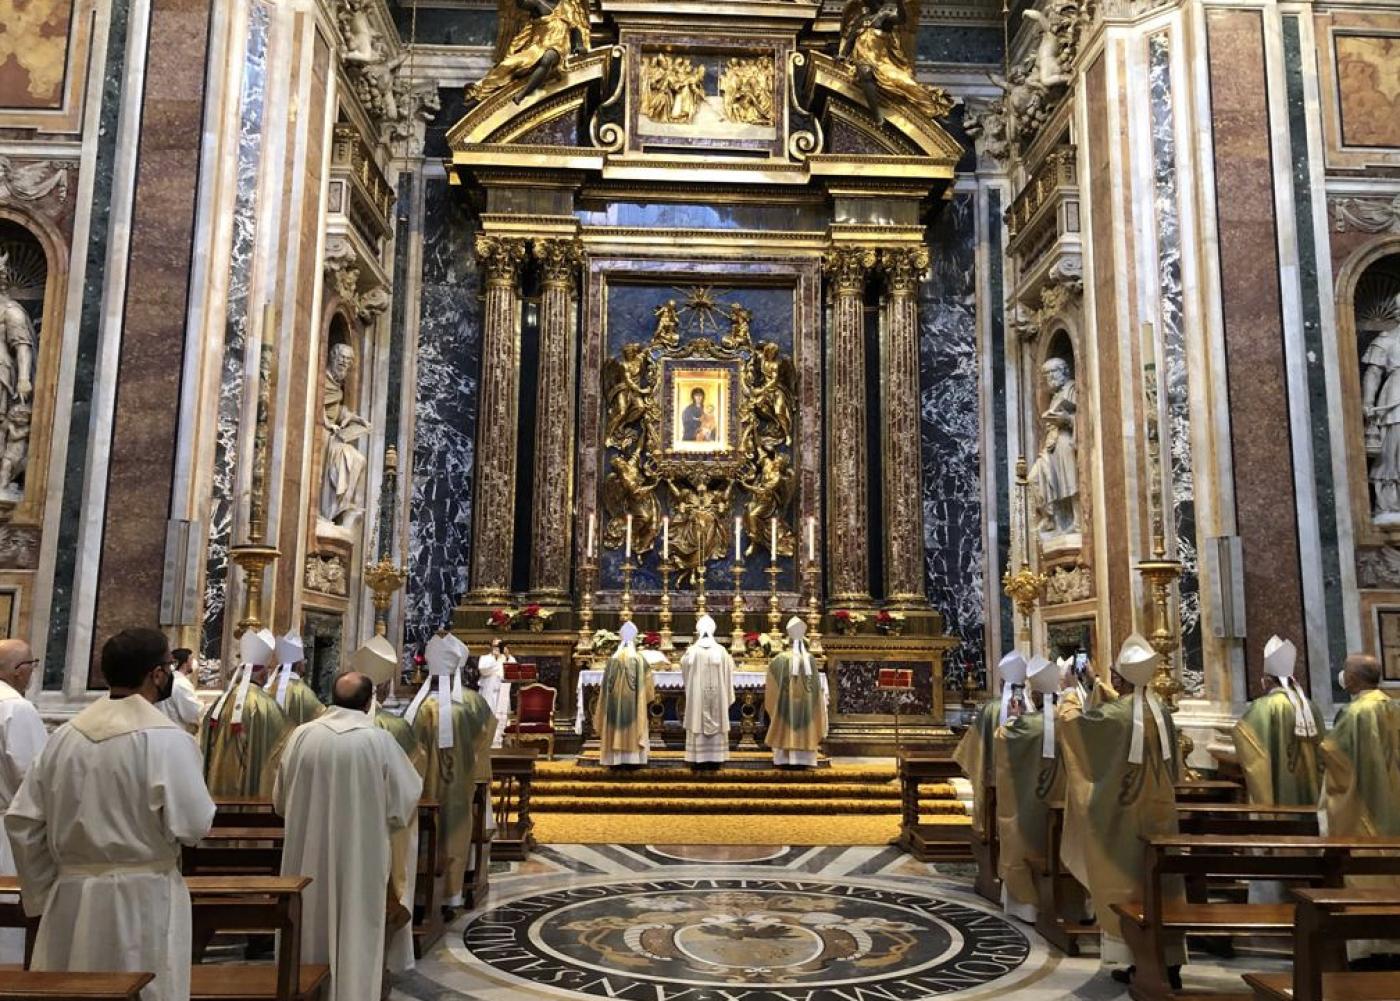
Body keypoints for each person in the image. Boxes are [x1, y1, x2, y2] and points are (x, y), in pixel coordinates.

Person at [6, 628, 216, 1001]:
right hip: (144, 897)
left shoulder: (65, 738)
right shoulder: (168, 741)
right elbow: (194, 825)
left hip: (72, 898)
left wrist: (44, 894)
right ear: (156, 674)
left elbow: (23, 822)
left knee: (73, 988)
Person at [274, 671, 423, 1001]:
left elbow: (281, 801)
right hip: (360, 858)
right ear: (369, 702)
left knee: (308, 926)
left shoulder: (301, 736)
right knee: (356, 928)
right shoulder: (379, 742)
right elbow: (403, 804)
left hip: (307, 857)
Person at [1058, 634, 1183, 987]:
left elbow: (1075, 725)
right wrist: (1096, 684)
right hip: (1160, 813)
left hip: (1123, 814)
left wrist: (1069, 693)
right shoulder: (1160, 711)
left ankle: (1135, 957)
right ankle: (1170, 959)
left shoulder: (1117, 716)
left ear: (1123, 678)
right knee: (1162, 884)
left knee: (1126, 883)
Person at [405, 633, 496, 908]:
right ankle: (453, 892)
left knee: (422, 831)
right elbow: (484, 739)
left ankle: (418, 891)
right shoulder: (471, 704)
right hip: (458, 783)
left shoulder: (414, 707)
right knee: (455, 825)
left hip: (420, 787)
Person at [1320, 653, 1400, 960]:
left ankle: (1368, 946)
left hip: (1362, 804)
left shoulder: (1354, 713)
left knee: (1364, 867)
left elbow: (1333, 753)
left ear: (1352, 679)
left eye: (1345, 671)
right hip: (1392, 803)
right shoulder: (1393, 706)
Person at [352, 636, 424, 975]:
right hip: (380, 836)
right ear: (379, 690)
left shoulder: (308, 732)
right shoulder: (394, 730)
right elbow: (412, 788)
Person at [993, 654, 1061, 924]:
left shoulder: (1025, 725)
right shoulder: (1072, 720)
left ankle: (1025, 905)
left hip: (1028, 799)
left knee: (1025, 839)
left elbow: (1002, 737)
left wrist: (1012, 719)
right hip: (1061, 799)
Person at [1233, 635, 1324, 807]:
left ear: (1267, 681)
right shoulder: (1311, 707)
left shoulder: (1263, 707)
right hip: (1311, 792)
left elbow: (1245, 739)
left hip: (1279, 790)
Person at [200, 628, 293, 796]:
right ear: (263, 674)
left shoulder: (221, 701)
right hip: (250, 796)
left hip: (215, 791)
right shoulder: (265, 705)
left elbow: (206, 739)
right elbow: (286, 741)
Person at [0, 638, 45, 964]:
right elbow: (35, 780)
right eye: (32, 664)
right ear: (19, 671)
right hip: (7, 832)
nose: (33, 671)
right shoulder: (16, 709)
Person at [953, 650, 1028, 844]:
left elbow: (973, 748)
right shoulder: (1034, 711)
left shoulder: (991, 709)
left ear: (1002, 684)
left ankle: (992, 837)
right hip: (1027, 782)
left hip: (994, 778)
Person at [764, 617, 828, 768]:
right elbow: (816, 693)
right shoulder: (810, 659)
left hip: (786, 708)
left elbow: (772, 688)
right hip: (806, 709)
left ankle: (784, 758)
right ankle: (804, 759)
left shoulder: (779, 659)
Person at [681, 614, 735, 770]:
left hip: (698, 698)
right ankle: (715, 757)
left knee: (697, 717)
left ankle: (698, 757)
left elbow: (685, 670)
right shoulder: (722, 651)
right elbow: (729, 672)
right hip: (718, 696)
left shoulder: (692, 651)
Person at [598, 622, 654, 768]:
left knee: (615, 724)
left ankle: (615, 760)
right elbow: (648, 688)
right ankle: (633, 760)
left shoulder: (612, 659)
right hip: (632, 707)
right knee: (634, 725)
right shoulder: (639, 660)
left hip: (614, 706)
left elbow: (604, 689)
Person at [268, 630, 326, 726]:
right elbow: (322, 720)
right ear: (299, 665)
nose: (305, 665)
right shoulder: (303, 692)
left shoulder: (269, 687)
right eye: (304, 661)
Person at [159, 646, 203, 733]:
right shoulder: (181, 684)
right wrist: (202, 705)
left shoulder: (166, 679)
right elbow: (193, 713)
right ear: (185, 663)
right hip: (175, 731)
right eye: (191, 659)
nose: (194, 662)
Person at [476, 639, 510, 749]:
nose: (497, 648)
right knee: (488, 716)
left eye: (499, 645)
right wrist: (495, 660)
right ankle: (487, 742)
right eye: (495, 645)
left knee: (501, 717)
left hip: (502, 692)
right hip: (488, 692)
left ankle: (499, 741)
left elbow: (512, 668)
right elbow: (483, 670)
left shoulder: (506, 658)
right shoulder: (485, 658)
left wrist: (507, 656)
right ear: (491, 646)